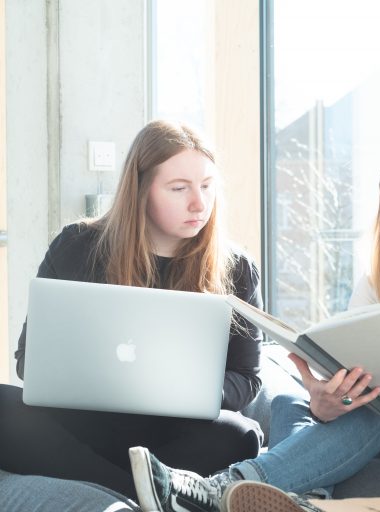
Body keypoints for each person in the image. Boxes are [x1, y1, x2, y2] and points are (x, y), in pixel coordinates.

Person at [128, 133, 380, 512]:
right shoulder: (379, 280)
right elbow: (352, 387)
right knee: (291, 404)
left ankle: (220, 490)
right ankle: (301, 501)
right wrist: (326, 401)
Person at [0, 120, 264, 500]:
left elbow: (246, 377)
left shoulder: (237, 267)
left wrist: (181, 390)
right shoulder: (77, 246)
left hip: (173, 430)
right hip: (83, 423)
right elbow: (29, 361)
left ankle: (116, 483)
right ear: (141, 190)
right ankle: (144, 491)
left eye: (207, 186)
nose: (199, 203)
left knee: (241, 435)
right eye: (179, 188)